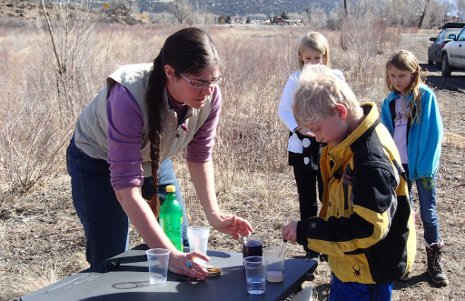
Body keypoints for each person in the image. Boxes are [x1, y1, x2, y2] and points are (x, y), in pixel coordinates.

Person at [66, 27, 253, 279]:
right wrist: (169, 256)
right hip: (96, 162)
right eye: (198, 83)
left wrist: (215, 215)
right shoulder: (127, 96)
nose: (207, 91)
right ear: (170, 73)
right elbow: (126, 189)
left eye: (213, 81)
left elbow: (199, 156)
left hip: (154, 160)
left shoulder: (209, 96)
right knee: (111, 258)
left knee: (177, 242)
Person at [282, 64, 416, 301]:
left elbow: (367, 228)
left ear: (340, 112)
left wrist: (307, 231)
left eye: (317, 130)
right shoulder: (348, 141)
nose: (318, 138)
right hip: (351, 264)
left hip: (368, 272)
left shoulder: (370, 160)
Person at [380, 49, 448, 286]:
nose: (397, 81)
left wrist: (426, 167)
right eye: (393, 75)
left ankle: (434, 263)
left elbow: (433, 134)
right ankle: (401, 259)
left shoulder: (425, 97)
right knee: (401, 212)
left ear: (413, 73)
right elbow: (385, 135)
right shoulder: (389, 102)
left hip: (423, 168)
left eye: (402, 75)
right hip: (399, 167)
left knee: (428, 213)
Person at [278, 31, 343, 259]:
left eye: (318, 58)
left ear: (326, 56)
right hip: (302, 146)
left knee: (329, 194)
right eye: (308, 59)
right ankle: (311, 247)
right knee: (306, 197)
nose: (313, 63)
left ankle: (329, 242)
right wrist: (300, 129)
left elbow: (344, 106)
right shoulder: (295, 79)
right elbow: (284, 109)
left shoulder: (336, 76)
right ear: (300, 57)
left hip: (330, 146)